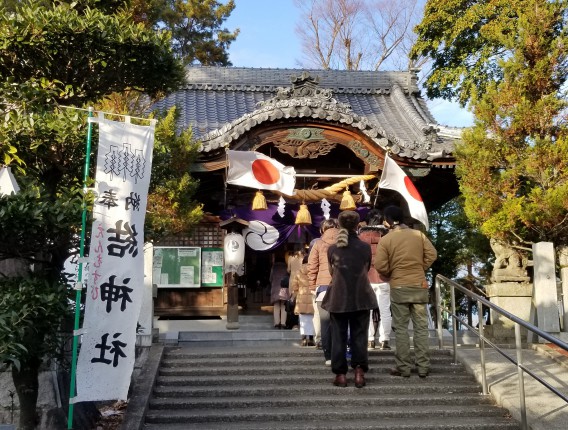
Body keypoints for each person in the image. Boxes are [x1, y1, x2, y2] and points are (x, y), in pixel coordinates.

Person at [374, 205, 437, 378]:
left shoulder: (386, 240)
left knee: (401, 328)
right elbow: (432, 254)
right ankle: (423, 367)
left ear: (387, 221)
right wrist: (420, 268)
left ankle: (404, 367)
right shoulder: (418, 235)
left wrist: (390, 272)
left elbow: (380, 265)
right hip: (418, 285)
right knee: (421, 327)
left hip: (399, 285)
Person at [322, 211, 378, 388]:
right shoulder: (364, 247)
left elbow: (332, 272)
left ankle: (340, 375)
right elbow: (367, 267)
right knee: (359, 336)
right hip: (361, 295)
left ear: (338, 226)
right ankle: (359, 372)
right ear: (357, 225)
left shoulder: (332, 248)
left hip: (339, 297)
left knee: (338, 336)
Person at [358, 209, 392, 350]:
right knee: (385, 310)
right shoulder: (387, 237)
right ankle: (385, 340)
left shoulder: (360, 237)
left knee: (367, 310)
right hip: (384, 277)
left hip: (366, 278)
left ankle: (370, 340)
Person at [307, 218, 339, 365]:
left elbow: (312, 267)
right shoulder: (344, 242)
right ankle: (340, 352)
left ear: (322, 230)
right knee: (340, 322)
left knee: (325, 322)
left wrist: (312, 286)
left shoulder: (318, 244)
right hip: (341, 287)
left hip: (323, 288)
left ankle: (328, 357)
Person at [290, 255, 315, 346]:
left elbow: (294, 286)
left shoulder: (298, 272)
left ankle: (304, 339)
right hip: (312, 297)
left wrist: (297, 292)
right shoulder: (315, 270)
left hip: (301, 298)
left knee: (303, 320)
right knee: (312, 319)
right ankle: (311, 339)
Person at [269, 257, 289, 329]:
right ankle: (283, 323)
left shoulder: (274, 267)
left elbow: (270, 278)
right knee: (283, 306)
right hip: (284, 288)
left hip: (275, 288)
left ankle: (277, 323)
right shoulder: (286, 267)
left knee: (276, 306)